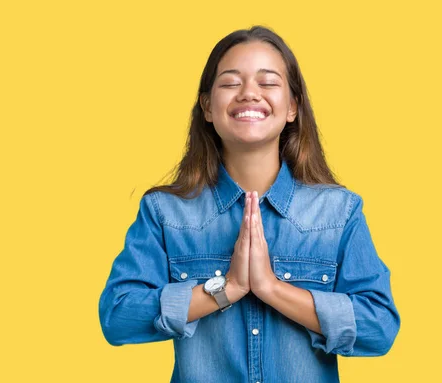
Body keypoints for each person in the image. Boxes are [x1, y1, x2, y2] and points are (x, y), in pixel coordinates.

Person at [98, 25, 400, 383]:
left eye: (268, 82)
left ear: (292, 107)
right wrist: (224, 290)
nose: (249, 94)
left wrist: (273, 289)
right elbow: (118, 317)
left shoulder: (339, 213)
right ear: (208, 107)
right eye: (230, 83)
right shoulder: (165, 213)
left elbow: (379, 328)